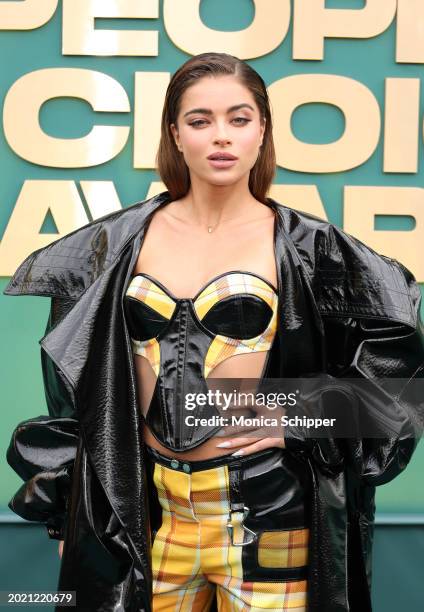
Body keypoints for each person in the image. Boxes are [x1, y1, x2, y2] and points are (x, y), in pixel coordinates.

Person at [4, 52, 424, 612]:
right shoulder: (110, 248)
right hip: (145, 509)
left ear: (262, 131)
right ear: (175, 134)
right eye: (200, 120)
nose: (220, 136)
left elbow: (400, 393)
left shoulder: (315, 250)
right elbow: (74, 396)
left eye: (239, 118)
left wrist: (303, 413)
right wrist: (69, 519)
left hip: (269, 510)